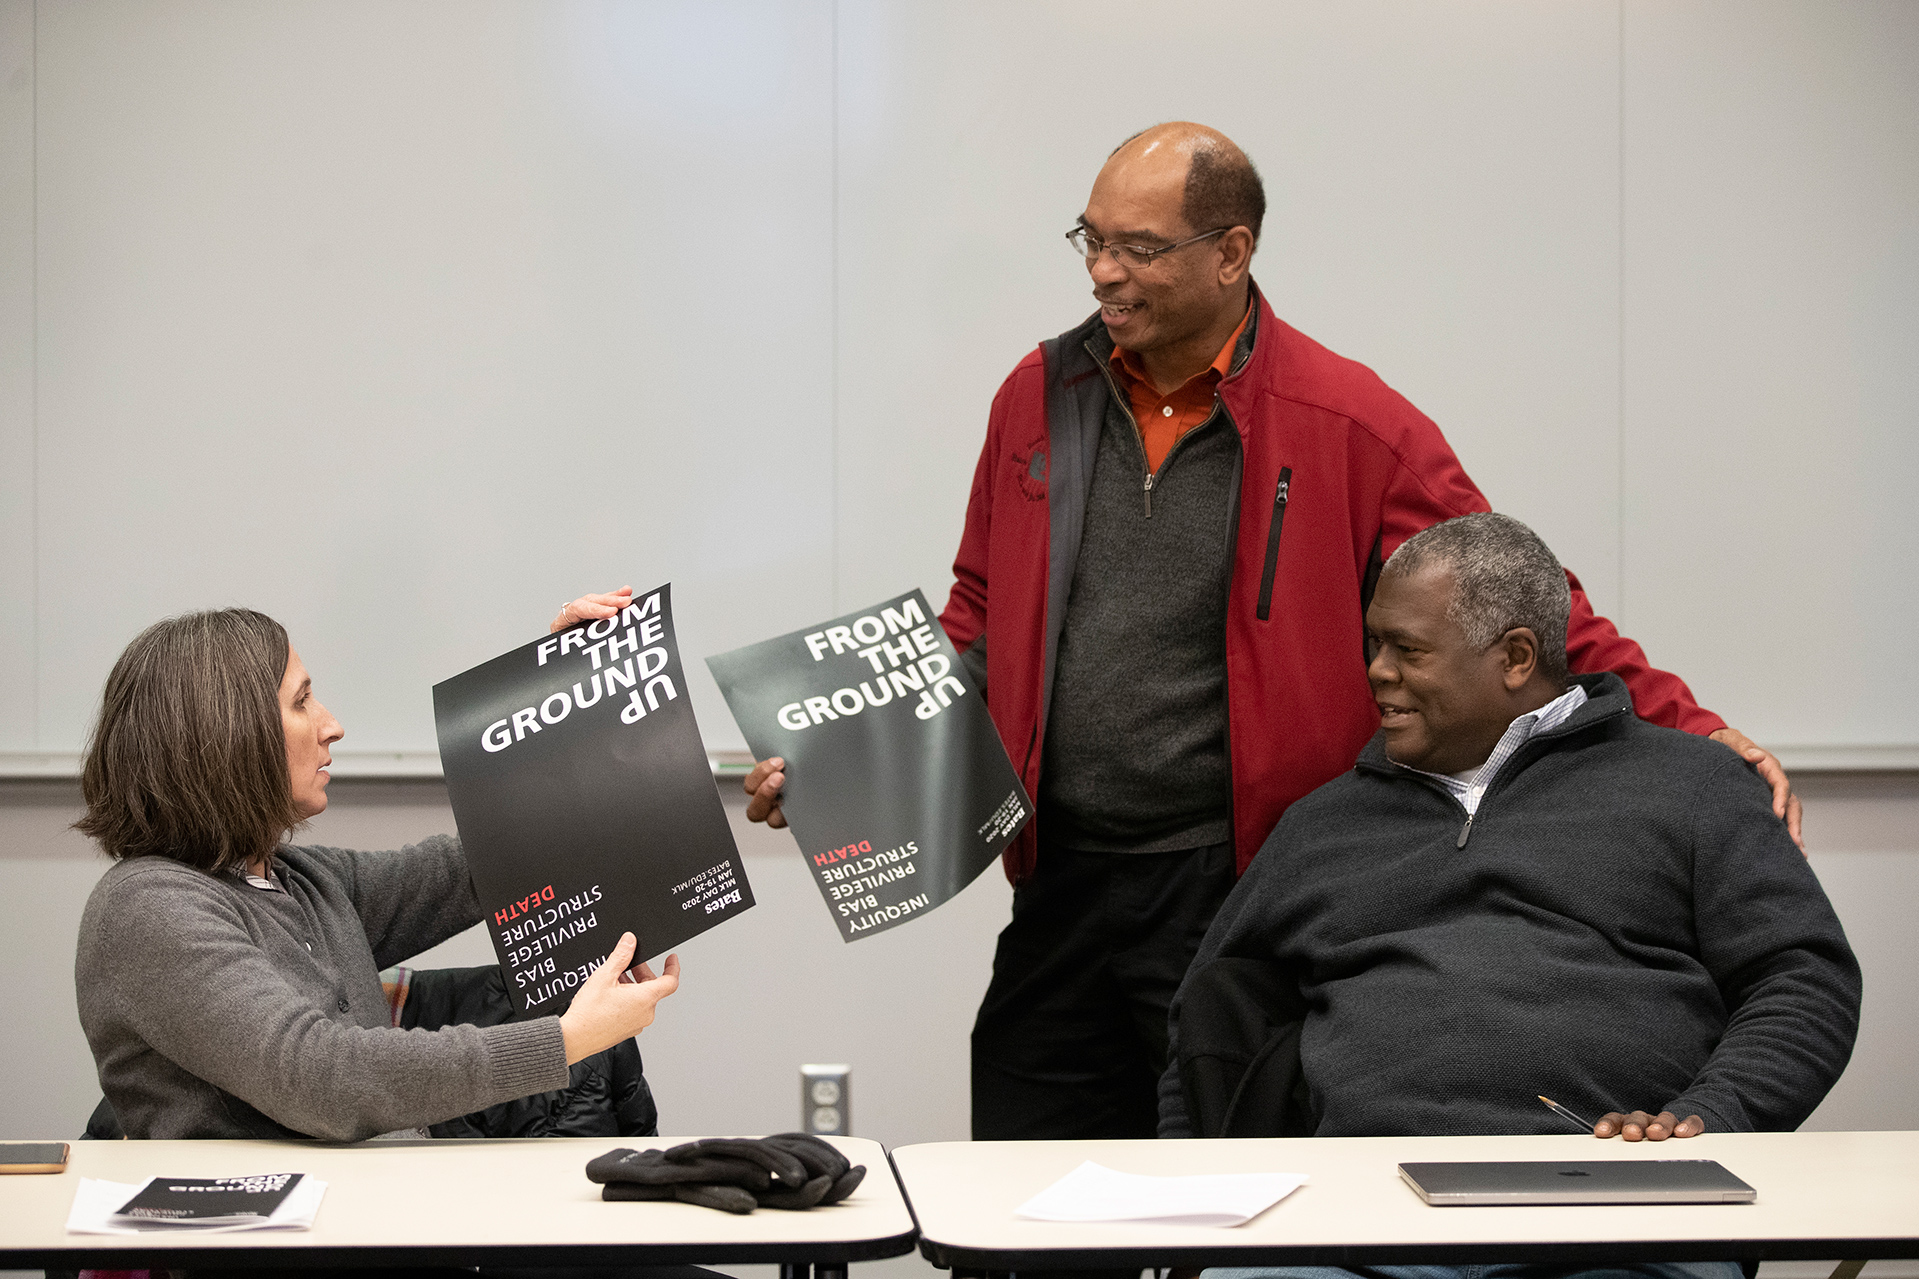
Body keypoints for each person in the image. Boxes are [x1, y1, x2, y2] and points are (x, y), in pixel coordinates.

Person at [742, 123, 1808, 1143]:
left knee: (1222, 1189)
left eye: (1138, 248)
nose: (1102, 274)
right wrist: (851, 759)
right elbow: (978, 612)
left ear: (1230, 253)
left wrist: (1695, 727)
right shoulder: (1035, 394)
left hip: (1240, 888)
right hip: (1057, 876)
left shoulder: (1348, 420)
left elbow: (1521, 600)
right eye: (1091, 239)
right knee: (1029, 1187)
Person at [1157, 513, 1859, 1176]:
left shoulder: (1691, 784)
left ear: (1515, 657)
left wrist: (1710, 1119)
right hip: (1358, 1207)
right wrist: (1200, 1203)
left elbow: (1802, 977)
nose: (1376, 670)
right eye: (1373, 643)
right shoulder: (1320, 825)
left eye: (1408, 649)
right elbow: (1204, 1021)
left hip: (1624, 1198)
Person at [74, 598, 678, 1142]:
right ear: (230, 735)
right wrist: (564, 1040)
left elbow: (498, 856)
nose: (331, 725)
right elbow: (322, 1078)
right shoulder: (147, 906)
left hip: (380, 1228)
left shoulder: (301, 881)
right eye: (302, 701)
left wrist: (574, 687)